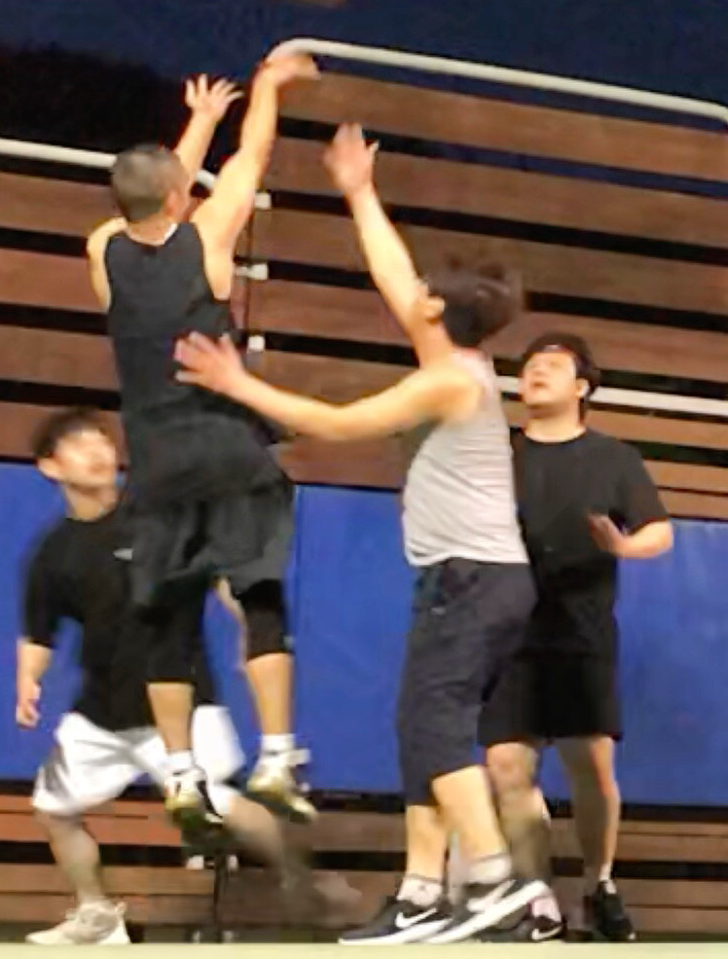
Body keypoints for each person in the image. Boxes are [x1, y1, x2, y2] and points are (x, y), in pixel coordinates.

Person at [175, 124, 549, 944]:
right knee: (421, 728)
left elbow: (338, 424)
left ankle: (492, 878)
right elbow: (393, 275)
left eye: (423, 291)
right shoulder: (451, 354)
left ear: (436, 310)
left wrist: (237, 382)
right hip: (470, 576)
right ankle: (420, 890)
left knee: (435, 725)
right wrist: (358, 191)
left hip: (473, 576)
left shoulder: (448, 380)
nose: (409, 290)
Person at [84, 57, 320, 834]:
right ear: (181, 196)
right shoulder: (208, 240)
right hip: (227, 450)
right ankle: (277, 756)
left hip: (156, 463)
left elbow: (160, 191)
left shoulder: (102, 249)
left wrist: (199, 122)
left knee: (167, 619)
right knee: (259, 597)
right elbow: (251, 159)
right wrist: (266, 89)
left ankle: (181, 776)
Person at [17, 408, 349, 945]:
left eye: (101, 441)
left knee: (218, 799)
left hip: (180, 704)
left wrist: (251, 631)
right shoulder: (53, 552)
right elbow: (38, 630)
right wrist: (28, 681)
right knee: (53, 811)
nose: (97, 452)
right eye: (78, 445)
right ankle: (97, 913)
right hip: (101, 711)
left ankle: (302, 880)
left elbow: (223, 583)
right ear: (50, 468)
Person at [477, 332, 674, 942]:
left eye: (553, 366)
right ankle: (537, 898)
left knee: (590, 763)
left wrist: (624, 546)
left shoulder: (613, 457)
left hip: (581, 629)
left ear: (582, 387)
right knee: (507, 764)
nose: (536, 372)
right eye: (530, 365)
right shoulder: (497, 453)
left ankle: (599, 884)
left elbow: (659, 531)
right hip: (506, 629)